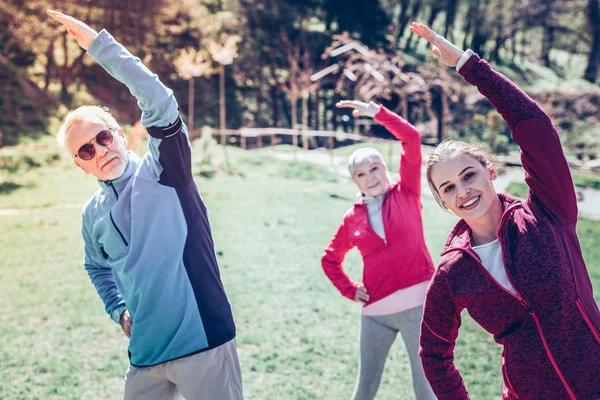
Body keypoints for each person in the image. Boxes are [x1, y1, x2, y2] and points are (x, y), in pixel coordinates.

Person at [47, 10, 243, 400]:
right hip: (144, 358)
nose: (99, 151)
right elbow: (96, 266)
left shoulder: (166, 170)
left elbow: (160, 102)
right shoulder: (92, 215)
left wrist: (100, 47)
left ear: (119, 134)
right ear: (80, 164)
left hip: (203, 343)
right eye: (86, 150)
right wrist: (118, 309)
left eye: (103, 138)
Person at [410, 22, 600, 400]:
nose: (463, 191)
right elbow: (433, 354)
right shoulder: (452, 272)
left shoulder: (548, 214)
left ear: (490, 172)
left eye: (469, 175)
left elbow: (537, 129)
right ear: (443, 202)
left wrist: (469, 66)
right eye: (449, 188)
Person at [321, 100, 436, 400]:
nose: (371, 177)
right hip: (375, 313)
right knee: (364, 391)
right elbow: (330, 259)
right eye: (362, 174)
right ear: (354, 180)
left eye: (375, 168)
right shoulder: (352, 218)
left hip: (418, 308)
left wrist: (376, 112)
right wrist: (349, 289)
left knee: (426, 388)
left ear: (386, 169)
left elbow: (410, 137)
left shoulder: (406, 192)